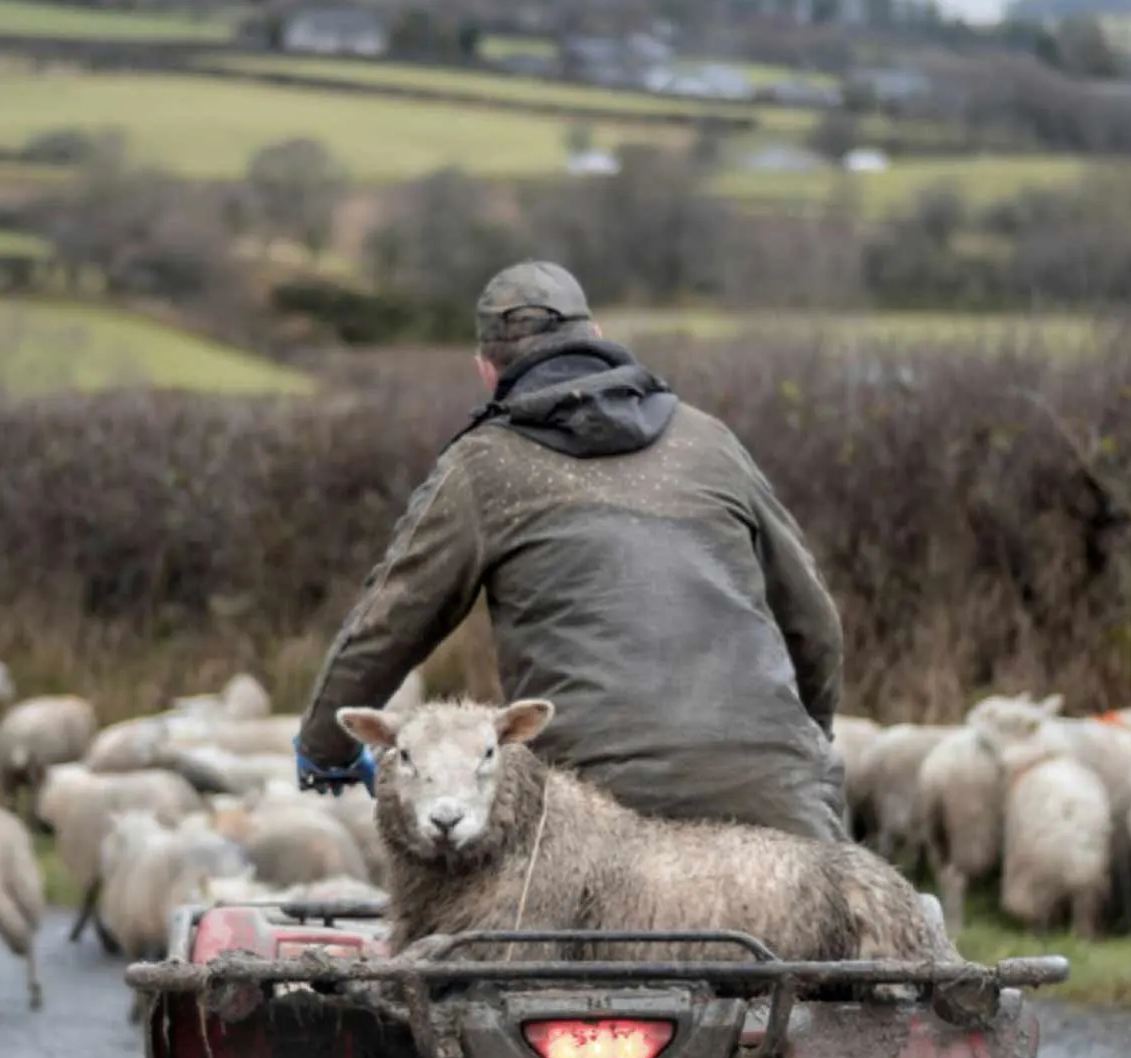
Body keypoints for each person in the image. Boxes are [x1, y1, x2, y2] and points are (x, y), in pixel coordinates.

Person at [296, 261, 852, 838]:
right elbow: (815, 624)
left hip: (598, 813)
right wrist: (803, 742)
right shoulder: (711, 442)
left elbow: (388, 624)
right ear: (599, 337)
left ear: (486, 370)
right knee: (845, 897)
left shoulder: (482, 467)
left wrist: (324, 749)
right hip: (779, 801)